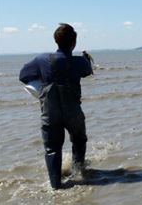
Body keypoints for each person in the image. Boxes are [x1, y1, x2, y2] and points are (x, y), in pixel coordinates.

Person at [19, 23, 92, 189]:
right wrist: (86, 61)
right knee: (79, 140)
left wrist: (42, 78)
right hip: (73, 111)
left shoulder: (41, 59)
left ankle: (55, 186)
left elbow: (23, 76)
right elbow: (88, 72)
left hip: (50, 112)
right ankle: (78, 172)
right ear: (74, 44)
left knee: (52, 147)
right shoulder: (80, 62)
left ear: (56, 41)